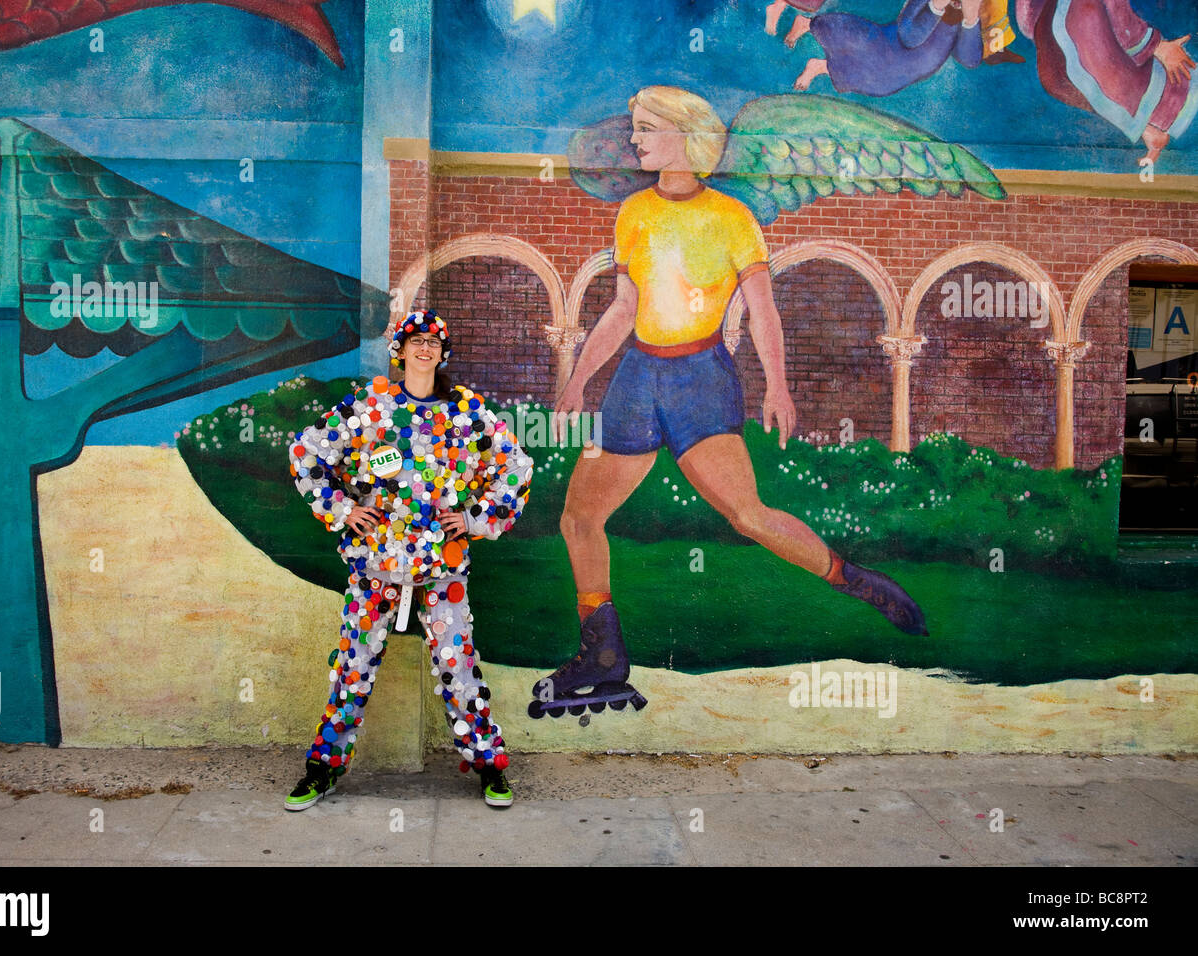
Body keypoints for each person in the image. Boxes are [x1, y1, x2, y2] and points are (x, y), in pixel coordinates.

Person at [538, 85, 927, 714]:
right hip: (637, 378)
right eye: (635, 128)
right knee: (579, 517)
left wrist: (776, 383)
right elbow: (624, 308)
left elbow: (764, 309)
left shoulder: (732, 217)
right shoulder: (633, 211)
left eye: (647, 128)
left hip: (701, 379)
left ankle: (853, 580)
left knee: (746, 514)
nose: (634, 139)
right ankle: (602, 655)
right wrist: (580, 378)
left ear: (685, 137)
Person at [285, 310, 533, 809]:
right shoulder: (370, 404)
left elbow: (517, 465)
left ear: (443, 353)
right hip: (377, 565)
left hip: (443, 568)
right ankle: (321, 768)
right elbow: (306, 452)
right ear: (398, 350)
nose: (424, 349)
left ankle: (489, 764)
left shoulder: (466, 412)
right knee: (352, 666)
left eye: (433, 342)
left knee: (458, 665)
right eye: (415, 340)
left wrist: (476, 518)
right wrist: (342, 508)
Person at [1017, 0, 1196, 166]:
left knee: (1111, 82)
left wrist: (1157, 46)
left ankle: (1150, 130)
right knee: (1064, 78)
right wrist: (1157, 46)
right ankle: (1148, 131)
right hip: (1066, 28)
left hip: (1081, 27)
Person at [793, 0, 984, 95]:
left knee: (873, 82)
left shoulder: (968, 11)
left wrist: (971, 18)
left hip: (903, 72)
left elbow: (969, 60)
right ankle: (807, 25)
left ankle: (819, 67)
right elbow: (909, 37)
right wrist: (936, 6)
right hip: (887, 47)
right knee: (857, 44)